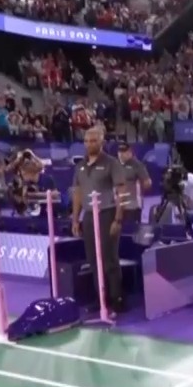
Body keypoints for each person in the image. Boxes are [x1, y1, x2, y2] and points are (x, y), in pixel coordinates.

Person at [71, 126, 128, 314]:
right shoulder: (80, 166)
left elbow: (121, 191)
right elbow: (78, 193)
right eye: (86, 141)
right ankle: (101, 298)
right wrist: (75, 219)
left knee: (109, 259)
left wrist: (118, 219)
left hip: (107, 214)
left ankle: (117, 298)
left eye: (93, 141)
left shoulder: (112, 163)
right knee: (93, 259)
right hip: (89, 216)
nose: (89, 144)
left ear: (102, 142)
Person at [117, 143, 151, 227]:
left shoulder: (137, 165)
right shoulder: (115, 164)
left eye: (124, 152)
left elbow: (148, 182)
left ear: (130, 152)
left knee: (132, 229)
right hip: (117, 205)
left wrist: (144, 185)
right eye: (120, 152)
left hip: (132, 205)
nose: (121, 154)